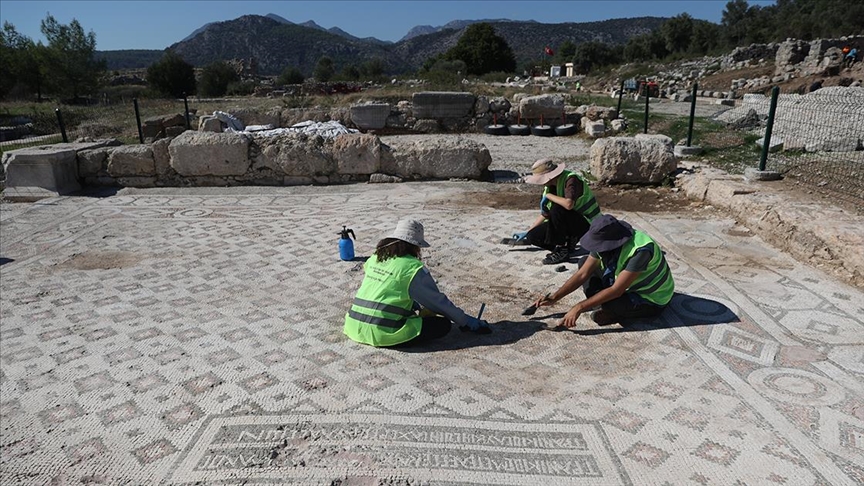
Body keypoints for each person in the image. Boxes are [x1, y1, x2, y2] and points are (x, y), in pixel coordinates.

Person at [344, 219, 490, 347]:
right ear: (415, 246)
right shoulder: (412, 268)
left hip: (353, 326)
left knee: (410, 308)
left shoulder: (375, 258)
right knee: (442, 325)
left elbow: (385, 286)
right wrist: (468, 322)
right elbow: (438, 303)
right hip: (382, 333)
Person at [533, 214, 674, 327]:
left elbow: (617, 290)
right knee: (584, 263)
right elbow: (582, 274)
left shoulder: (640, 251)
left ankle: (608, 309)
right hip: (626, 285)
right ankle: (600, 303)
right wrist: (555, 297)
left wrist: (579, 307)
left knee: (612, 303)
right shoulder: (606, 239)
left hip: (650, 298)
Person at [516, 158, 602, 265]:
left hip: (587, 223)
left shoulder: (571, 179)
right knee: (533, 236)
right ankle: (567, 244)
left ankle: (562, 251)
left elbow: (568, 204)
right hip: (569, 224)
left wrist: (549, 196)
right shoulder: (549, 187)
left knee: (557, 208)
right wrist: (528, 231)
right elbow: (545, 214)